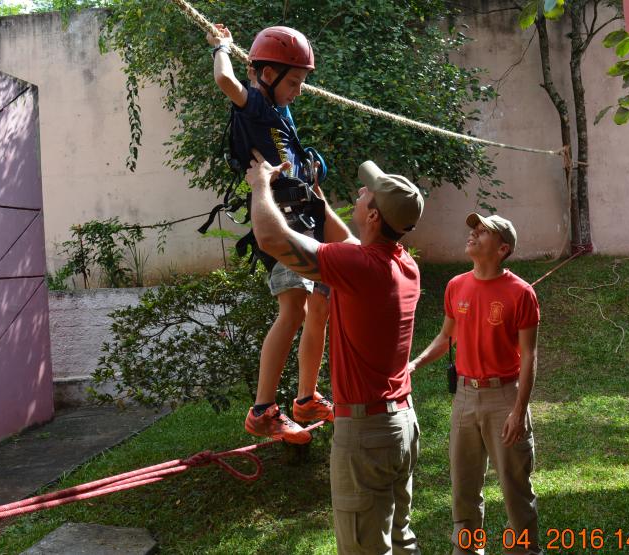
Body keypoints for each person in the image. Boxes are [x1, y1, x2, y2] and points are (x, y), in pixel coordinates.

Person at [246, 151, 425, 554]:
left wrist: (259, 184)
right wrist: (318, 203)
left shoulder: (357, 266)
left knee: (365, 548)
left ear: (376, 217)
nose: (361, 192)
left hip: (367, 435)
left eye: (367, 193)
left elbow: (272, 239)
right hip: (400, 426)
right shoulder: (403, 265)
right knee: (401, 539)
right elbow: (348, 241)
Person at [206, 24, 332, 444]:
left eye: (301, 81)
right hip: (281, 220)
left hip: (305, 219)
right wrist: (222, 47)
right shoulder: (256, 104)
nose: (299, 89)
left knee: (321, 306)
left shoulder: (283, 112)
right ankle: (262, 410)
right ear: (267, 75)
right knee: (293, 307)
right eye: (293, 81)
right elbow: (225, 79)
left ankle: (306, 397)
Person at [408, 213, 541, 555]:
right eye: (473, 229)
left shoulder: (521, 293)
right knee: (464, 490)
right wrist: (415, 364)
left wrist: (518, 410)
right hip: (464, 398)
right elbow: (444, 337)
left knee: (515, 488)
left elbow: (529, 357)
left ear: (502, 248)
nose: (473, 234)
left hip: (504, 397)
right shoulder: (456, 286)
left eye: (483, 233)